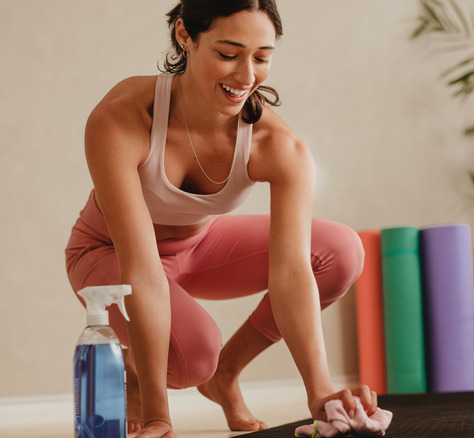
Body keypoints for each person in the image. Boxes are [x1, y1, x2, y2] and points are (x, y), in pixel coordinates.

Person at [64, 1, 377, 437]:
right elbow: (142, 270)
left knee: (339, 252)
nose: (246, 76)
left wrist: (321, 393)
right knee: (193, 357)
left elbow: (291, 272)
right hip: (110, 253)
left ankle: (225, 374)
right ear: (184, 36)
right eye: (229, 54)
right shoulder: (122, 116)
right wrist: (159, 416)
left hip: (198, 248)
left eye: (262, 58)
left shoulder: (278, 146)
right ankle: (138, 374)